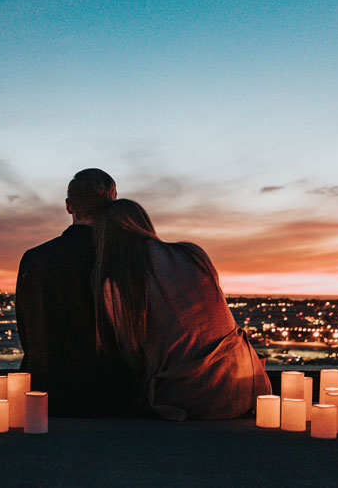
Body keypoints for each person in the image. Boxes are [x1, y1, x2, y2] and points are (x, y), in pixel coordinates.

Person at [93, 199, 272, 421]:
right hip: (248, 385)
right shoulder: (193, 254)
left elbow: (132, 355)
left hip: (189, 398)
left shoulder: (118, 284)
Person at [15, 169, 134, 416]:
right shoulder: (125, 259)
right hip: (109, 397)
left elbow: (28, 333)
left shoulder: (34, 259)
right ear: (113, 204)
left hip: (45, 394)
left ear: (69, 206)